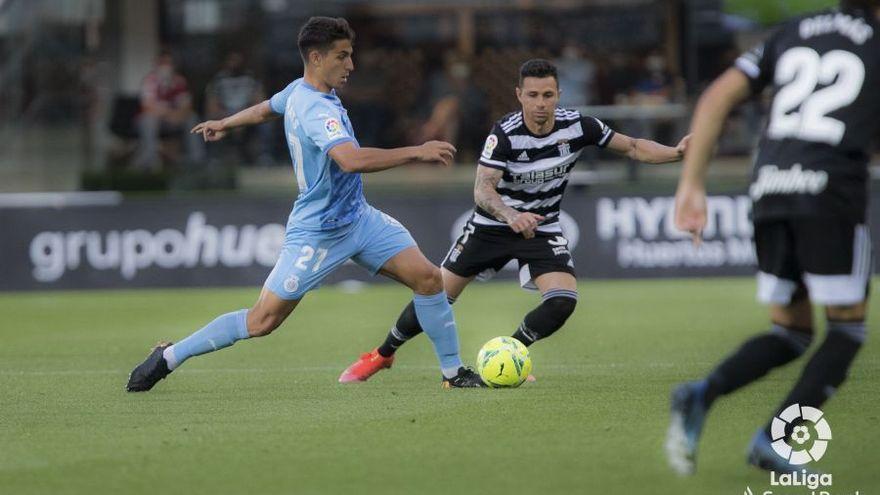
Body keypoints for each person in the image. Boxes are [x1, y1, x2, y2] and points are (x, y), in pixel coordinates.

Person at [126, 16, 486, 392]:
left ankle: (452, 372)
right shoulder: (318, 110)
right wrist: (418, 151)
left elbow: (267, 107)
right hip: (318, 231)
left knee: (428, 279)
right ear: (316, 57)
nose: (350, 65)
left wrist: (225, 122)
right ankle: (169, 356)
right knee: (261, 322)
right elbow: (351, 160)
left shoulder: (299, 91)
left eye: (350, 55)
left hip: (359, 219)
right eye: (342, 57)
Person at [339, 59, 690, 383]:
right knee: (437, 296)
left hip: (543, 227)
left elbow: (632, 147)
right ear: (519, 95)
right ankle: (382, 354)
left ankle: (511, 352)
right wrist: (511, 215)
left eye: (548, 95)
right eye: (533, 95)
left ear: (558, 95)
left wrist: (676, 152)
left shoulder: (579, 126)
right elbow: (483, 191)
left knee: (563, 301)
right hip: (491, 227)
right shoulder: (504, 133)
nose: (540, 103)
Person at [666, 0, 879, 475]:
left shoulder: (793, 30)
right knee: (846, 328)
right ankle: (775, 442)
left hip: (771, 187)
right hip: (829, 190)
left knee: (792, 329)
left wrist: (691, 183)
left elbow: (718, 95)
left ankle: (701, 394)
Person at [132, 51, 205, 169]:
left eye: (169, 63)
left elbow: (186, 106)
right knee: (149, 120)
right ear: (157, 64)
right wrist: (168, 113)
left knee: (192, 117)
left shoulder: (179, 81)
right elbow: (147, 107)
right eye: (163, 63)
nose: (166, 66)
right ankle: (149, 161)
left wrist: (176, 115)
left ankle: (196, 160)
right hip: (153, 120)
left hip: (173, 120)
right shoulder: (150, 80)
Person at [204, 52, 272, 165]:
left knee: (268, 120)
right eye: (232, 60)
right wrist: (230, 119)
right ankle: (214, 158)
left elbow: (261, 101)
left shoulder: (252, 78)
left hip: (248, 112)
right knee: (209, 122)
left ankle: (264, 155)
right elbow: (211, 105)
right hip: (224, 115)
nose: (235, 63)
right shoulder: (218, 80)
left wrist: (243, 118)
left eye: (237, 59)